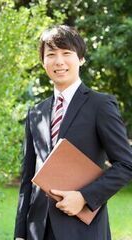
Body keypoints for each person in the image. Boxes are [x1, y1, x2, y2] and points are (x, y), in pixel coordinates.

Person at [14, 25, 132, 240]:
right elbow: (27, 177)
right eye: (51, 54)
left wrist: (84, 197)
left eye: (66, 53)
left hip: (82, 229)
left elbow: (126, 164)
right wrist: (20, 234)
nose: (59, 61)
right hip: (37, 230)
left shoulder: (101, 105)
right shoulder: (36, 112)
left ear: (81, 59)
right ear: (43, 62)